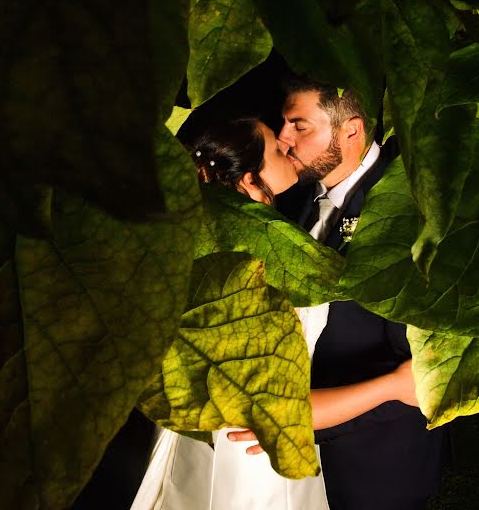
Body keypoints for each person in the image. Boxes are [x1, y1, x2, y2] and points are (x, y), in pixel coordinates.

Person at [229, 77, 445, 509]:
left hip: (373, 461)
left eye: (299, 126)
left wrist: (306, 418)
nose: (285, 139)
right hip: (294, 445)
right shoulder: (296, 198)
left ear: (351, 131)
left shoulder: (410, 213)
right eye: (283, 125)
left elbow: (419, 371)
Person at [131, 114, 330, 510]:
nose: (287, 147)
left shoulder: (189, 234)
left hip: (206, 421)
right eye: (276, 147)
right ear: (249, 178)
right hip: (248, 439)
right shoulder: (264, 243)